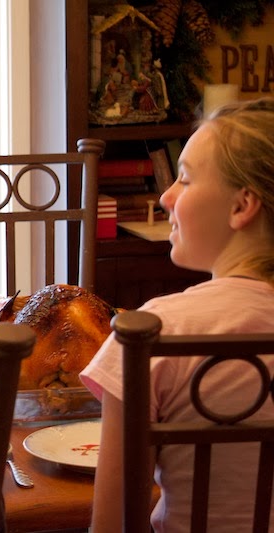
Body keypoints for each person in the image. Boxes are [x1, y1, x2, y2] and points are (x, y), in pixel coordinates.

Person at [81, 97, 274, 532]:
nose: (166, 196)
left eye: (184, 179)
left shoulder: (154, 332)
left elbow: (112, 526)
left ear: (242, 206)